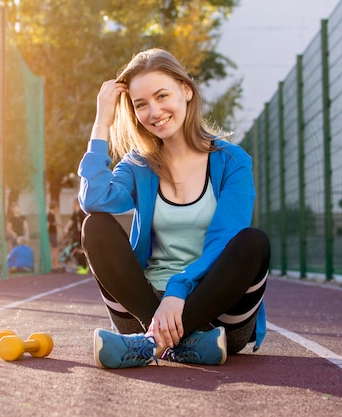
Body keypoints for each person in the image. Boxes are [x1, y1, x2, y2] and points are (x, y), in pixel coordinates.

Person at [77, 48, 271, 369]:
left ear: (186, 91)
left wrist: (178, 290)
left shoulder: (232, 161)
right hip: (147, 309)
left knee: (253, 242)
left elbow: (225, 238)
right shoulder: (138, 165)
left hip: (217, 314)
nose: (154, 111)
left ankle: (150, 344)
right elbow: (93, 199)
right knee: (95, 226)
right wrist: (102, 122)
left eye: (162, 95)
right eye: (141, 105)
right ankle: (174, 342)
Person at [64, 197, 88, 274]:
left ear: (75, 203)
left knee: (81, 251)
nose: (71, 205)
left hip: (81, 235)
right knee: (75, 250)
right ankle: (80, 267)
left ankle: (85, 268)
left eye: (72, 203)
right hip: (75, 236)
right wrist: (67, 228)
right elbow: (71, 221)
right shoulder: (75, 213)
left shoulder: (81, 213)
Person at [47, 200, 63, 272]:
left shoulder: (52, 215)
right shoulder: (50, 215)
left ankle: (55, 265)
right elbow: (48, 224)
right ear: (54, 208)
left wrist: (60, 225)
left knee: (56, 249)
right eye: (57, 207)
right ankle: (55, 266)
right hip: (51, 234)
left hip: (53, 234)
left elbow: (54, 223)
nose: (58, 209)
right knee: (56, 249)